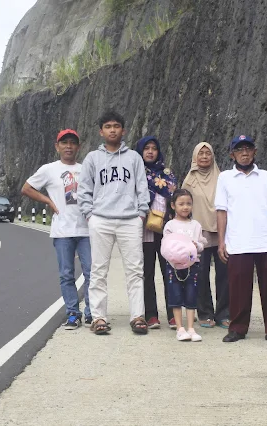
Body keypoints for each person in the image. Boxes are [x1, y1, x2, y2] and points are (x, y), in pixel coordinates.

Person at [77, 111, 150, 335]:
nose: (112, 130)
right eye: (107, 126)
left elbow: (142, 188)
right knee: (98, 270)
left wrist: (140, 214)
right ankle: (99, 318)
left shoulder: (134, 158)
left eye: (116, 126)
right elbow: (84, 191)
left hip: (130, 220)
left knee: (135, 271)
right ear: (101, 131)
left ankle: (137, 316)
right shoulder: (92, 158)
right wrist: (90, 215)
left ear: (123, 130)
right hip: (101, 220)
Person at [215, 134, 267, 345]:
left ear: (255, 152)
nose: (245, 153)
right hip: (237, 242)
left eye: (248, 149)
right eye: (240, 150)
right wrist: (222, 242)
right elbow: (221, 211)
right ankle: (238, 328)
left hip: (265, 240)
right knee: (238, 289)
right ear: (232, 154)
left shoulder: (265, 177)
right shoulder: (225, 178)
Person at [21, 129, 91, 329]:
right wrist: (48, 201)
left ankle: (91, 313)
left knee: (92, 273)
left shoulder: (86, 168)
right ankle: (72, 313)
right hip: (62, 231)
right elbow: (26, 188)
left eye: (72, 143)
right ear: (57, 146)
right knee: (66, 274)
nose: (68, 146)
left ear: (78, 146)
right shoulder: (49, 169)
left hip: (86, 231)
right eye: (64, 143)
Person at [182, 142, 229, 329]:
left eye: (207, 153)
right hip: (198, 234)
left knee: (224, 274)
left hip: (221, 232)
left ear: (213, 156)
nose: (204, 157)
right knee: (200, 275)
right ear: (194, 157)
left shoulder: (223, 178)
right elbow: (183, 206)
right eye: (200, 153)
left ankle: (224, 313)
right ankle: (205, 313)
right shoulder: (189, 181)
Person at [135, 136, 177, 330]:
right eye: (146, 148)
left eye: (154, 148)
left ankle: (173, 314)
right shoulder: (135, 174)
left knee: (169, 273)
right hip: (144, 230)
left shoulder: (167, 174)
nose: (150, 151)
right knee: (147, 273)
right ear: (141, 151)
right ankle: (151, 315)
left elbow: (175, 198)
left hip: (166, 230)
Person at [162, 189, 207, 342]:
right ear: (173, 206)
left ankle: (191, 328)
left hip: (192, 265)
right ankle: (180, 328)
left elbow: (202, 243)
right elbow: (166, 246)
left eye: (188, 204)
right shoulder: (170, 225)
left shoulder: (196, 225)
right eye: (181, 204)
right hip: (173, 267)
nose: (185, 207)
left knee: (191, 294)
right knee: (175, 294)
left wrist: (196, 246)